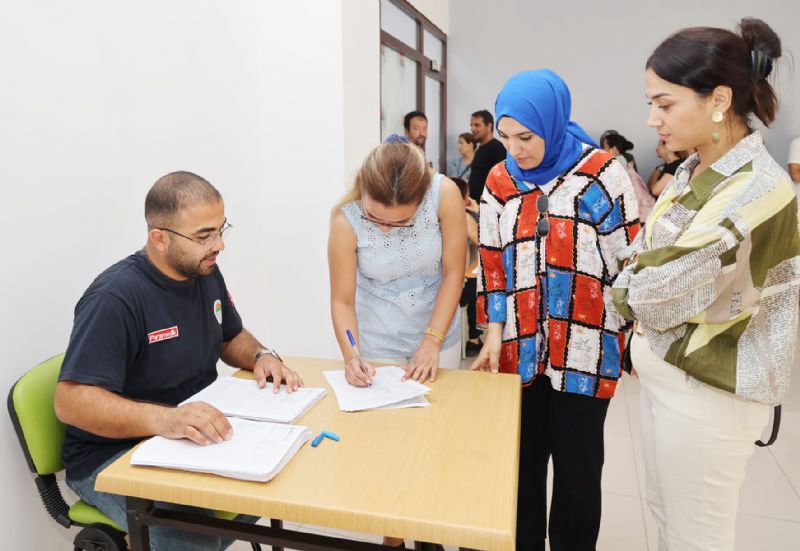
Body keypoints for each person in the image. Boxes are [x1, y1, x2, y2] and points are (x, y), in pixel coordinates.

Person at [612, 18, 800, 551]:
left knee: (698, 540)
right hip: (668, 382)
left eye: (665, 104)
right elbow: (644, 256)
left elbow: (658, 288)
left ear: (719, 99)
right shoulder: (692, 170)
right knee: (667, 521)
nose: (652, 119)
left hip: (709, 395)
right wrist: (640, 273)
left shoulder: (760, 188)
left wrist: (630, 285)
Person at [54, 171, 303, 551]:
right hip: (112, 457)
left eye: (221, 230)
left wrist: (261, 355)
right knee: (194, 538)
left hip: (190, 436)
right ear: (159, 238)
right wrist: (166, 419)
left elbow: (230, 335)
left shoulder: (203, 270)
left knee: (277, 481)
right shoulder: (115, 297)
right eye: (204, 236)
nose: (219, 245)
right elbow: (71, 402)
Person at [471, 69, 640, 551]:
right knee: (520, 470)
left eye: (525, 136)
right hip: (520, 350)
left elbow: (627, 262)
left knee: (577, 472)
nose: (515, 148)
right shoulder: (500, 180)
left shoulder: (603, 173)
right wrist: (492, 335)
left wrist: (631, 337)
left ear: (552, 121)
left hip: (587, 349)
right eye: (505, 137)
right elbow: (492, 265)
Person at [328, 138, 464, 549]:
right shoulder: (345, 220)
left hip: (437, 330)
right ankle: (395, 536)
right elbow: (342, 300)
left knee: (438, 440)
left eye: (401, 222)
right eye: (376, 218)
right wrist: (352, 355)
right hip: (377, 338)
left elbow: (455, 271)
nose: (385, 228)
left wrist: (432, 340)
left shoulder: (444, 194)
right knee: (392, 449)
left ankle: (432, 527)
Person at [451, 176, 482, 355]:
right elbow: (482, 243)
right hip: (457, 288)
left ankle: (474, 336)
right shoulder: (463, 216)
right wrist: (476, 212)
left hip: (441, 287)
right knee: (478, 282)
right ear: (464, 198)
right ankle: (474, 337)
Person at [603, 132, 655, 222]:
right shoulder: (626, 161)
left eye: (604, 147)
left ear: (613, 149)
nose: (602, 150)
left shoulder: (615, 163)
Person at [467, 109, 507, 201]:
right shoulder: (480, 149)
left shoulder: (497, 149)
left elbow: (504, 181)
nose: (472, 129)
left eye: (477, 125)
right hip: (476, 205)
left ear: (489, 126)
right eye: (471, 125)